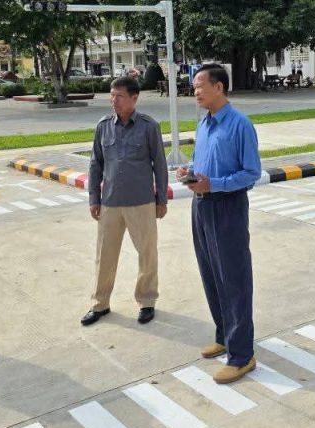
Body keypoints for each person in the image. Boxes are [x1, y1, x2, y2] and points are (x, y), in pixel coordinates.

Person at [177, 63, 261, 384]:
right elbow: (203, 162)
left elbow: (251, 173)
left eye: (200, 86)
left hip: (228, 208)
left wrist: (214, 184)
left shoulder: (240, 125)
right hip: (201, 206)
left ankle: (242, 355)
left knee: (234, 279)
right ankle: (224, 335)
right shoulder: (204, 124)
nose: (195, 92)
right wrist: (189, 172)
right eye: (194, 87)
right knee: (211, 274)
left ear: (219, 87)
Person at [84, 76, 168, 326]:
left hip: (141, 201)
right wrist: (94, 198)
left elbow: (160, 165)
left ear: (134, 98)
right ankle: (100, 304)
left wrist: (161, 200)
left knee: (147, 254)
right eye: (112, 96)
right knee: (104, 255)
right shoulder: (103, 126)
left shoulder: (149, 126)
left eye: (119, 96)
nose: (114, 101)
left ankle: (147, 300)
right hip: (110, 202)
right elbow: (95, 164)